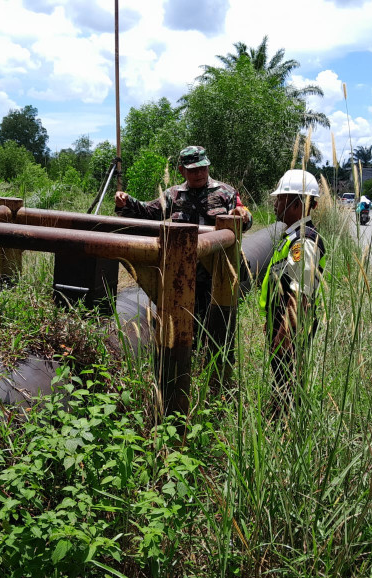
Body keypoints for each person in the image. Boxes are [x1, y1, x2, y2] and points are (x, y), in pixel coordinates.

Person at [115, 145, 253, 325]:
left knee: (218, 323)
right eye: (193, 170)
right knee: (183, 321)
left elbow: (244, 217)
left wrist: (243, 216)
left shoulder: (225, 192)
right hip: (183, 272)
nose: (199, 174)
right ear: (182, 171)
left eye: (203, 168)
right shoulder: (173, 195)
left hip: (217, 272)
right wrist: (126, 201)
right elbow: (148, 212)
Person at [259, 169, 326, 410]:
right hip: (284, 322)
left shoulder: (303, 242)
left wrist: (284, 333)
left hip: (291, 328)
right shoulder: (293, 236)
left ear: (297, 204)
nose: (275, 204)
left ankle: (287, 427)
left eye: (280, 199)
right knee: (283, 383)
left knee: (288, 387)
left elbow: (301, 295)